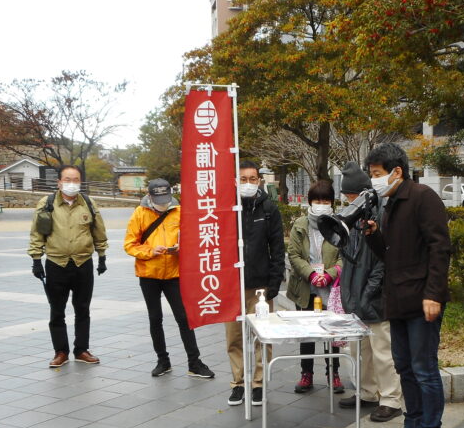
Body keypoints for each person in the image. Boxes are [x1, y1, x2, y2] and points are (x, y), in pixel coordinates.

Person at [363, 143, 451, 428]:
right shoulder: (391, 204)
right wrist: (373, 234)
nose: (374, 180)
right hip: (398, 299)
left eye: (377, 174)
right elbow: (391, 252)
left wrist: (433, 294)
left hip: (420, 300)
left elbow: (439, 248)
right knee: (404, 366)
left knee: (424, 368)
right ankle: (412, 426)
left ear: (396, 171)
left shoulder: (422, 197)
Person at [124, 178, 214, 380]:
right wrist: (150, 250)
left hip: (174, 273)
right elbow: (129, 244)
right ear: (149, 197)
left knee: (183, 318)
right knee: (155, 318)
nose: (163, 203)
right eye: (159, 199)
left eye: (166, 199)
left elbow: (193, 239)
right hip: (149, 274)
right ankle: (162, 361)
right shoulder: (140, 214)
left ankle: (195, 362)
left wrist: (181, 249)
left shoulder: (179, 211)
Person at [337, 162, 402, 422]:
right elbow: (350, 258)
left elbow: (381, 262)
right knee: (360, 350)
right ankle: (366, 393)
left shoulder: (381, 214)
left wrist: (369, 293)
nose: (348, 200)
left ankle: (391, 399)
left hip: (375, 297)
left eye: (350, 195)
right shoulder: (352, 216)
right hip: (357, 294)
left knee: (382, 352)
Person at [28, 165, 108, 368]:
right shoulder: (46, 204)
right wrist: (37, 260)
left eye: (76, 179)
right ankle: (60, 352)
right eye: (67, 179)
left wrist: (102, 256)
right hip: (56, 263)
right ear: (59, 182)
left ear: (80, 182)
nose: (71, 183)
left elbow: (99, 231)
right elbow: (37, 233)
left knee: (83, 309)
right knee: (57, 310)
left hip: (83, 263)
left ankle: (81, 349)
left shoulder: (88, 203)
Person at [225, 161, 286, 408]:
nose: (248, 183)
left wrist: (274, 282)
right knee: (234, 338)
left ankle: (259, 384)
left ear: (259, 181)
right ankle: (238, 384)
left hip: (260, 286)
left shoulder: (269, 209)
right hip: (232, 286)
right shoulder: (227, 209)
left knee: (262, 336)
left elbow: (278, 248)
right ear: (234, 181)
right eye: (243, 178)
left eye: (252, 178)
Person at [286, 179, 344, 394]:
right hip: (305, 287)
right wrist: (311, 273)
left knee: (332, 334)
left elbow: (344, 255)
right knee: (307, 333)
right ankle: (306, 374)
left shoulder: (338, 225)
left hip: (332, 288)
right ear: (310, 202)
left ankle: (334, 374)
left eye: (326, 200)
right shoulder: (300, 225)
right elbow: (293, 254)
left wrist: (329, 275)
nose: (322, 204)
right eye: (318, 200)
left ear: (332, 203)